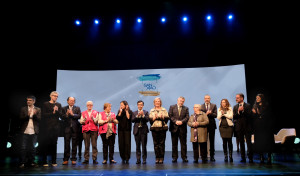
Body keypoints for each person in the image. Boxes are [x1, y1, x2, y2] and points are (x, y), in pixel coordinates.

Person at [41, 91, 62, 167]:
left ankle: (54, 161)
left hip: (56, 127)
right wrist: (52, 113)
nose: (55, 97)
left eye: (57, 96)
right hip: (47, 127)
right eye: (54, 96)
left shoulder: (58, 105)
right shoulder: (45, 104)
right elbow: (43, 115)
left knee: (54, 144)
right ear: (50, 96)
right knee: (46, 144)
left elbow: (61, 116)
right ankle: (44, 161)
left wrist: (57, 111)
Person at [19, 95, 41, 168]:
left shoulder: (38, 109)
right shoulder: (23, 109)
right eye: (27, 100)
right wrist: (28, 115)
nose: (28, 101)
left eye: (30, 100)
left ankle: (32, 162)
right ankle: (22, 162)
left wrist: (34, 115)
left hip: (34, 131)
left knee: (33, 148)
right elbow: (20, 119)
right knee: (23, 147)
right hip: (25, 130)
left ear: (34, 101)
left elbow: (39, 119)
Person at [252, 94, 274, 164]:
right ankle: (261, 157)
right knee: (259, 142)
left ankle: (269, 157)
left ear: (262, 98)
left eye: (258, 98)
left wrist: (259, 113)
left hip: (266, 126)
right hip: (258, 127)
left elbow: (268, 115)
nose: (257, 99)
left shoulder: (266, 105)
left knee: (267, 142)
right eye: (256, 98)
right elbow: (253, 117)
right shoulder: (255, 106)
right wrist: (254, 113)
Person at [233, 93, 253, 163]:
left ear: (242, 98)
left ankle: (250, 158)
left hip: (247, 127)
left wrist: (243, 111)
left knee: (248, 143)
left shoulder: (248, 105)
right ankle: (243, 157)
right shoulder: (235, 107)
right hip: (239, 128)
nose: (236, 99)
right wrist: (238, 111)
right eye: (236, 98)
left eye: (237, 98)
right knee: (241, 143)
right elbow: (234, 116)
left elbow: (250, 115)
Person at [168, 96, 189, 163]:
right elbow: (170, 116)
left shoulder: (186, 108)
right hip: (174, 128)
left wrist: (182, 122)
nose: (181, 102)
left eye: (182, 101)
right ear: (177, 101)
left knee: (183, 144)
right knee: (174, 144)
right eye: (180, 101)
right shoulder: (172, 107)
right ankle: (174, 158)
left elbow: (187, 117)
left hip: (183, 129)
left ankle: (184, 157)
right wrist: (175, 121)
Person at [62, 97, 81, 165]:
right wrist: (67, 114)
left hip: (75, 128)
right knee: (66, 144)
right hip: (67, 128)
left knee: (74, 144)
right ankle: (66, 159)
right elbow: (62, 117)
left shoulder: (77, 108)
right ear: (67, 101)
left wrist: (73, 114)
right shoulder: (64, 108)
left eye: (73, 101)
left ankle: (73, 159)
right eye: (71, 100)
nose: (72, 102)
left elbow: (79, 116)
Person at [149, 97, 169, 164]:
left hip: (162, 128)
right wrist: (153, 118)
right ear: (154, 103)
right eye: (156, 101)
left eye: (158, 101)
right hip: (154, 128)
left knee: (161, 144)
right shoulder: (151, 110)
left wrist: (163, 117)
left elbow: (167, 119)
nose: (157, 102)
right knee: (156, 144)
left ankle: (161, 158)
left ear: (160, 102)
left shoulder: (164, 110)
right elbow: (150, 120)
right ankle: (157, 157)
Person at [132, 100, 150, 164]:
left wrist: (143, 116)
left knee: (144, 146)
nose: (140, 106)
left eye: (141, 104)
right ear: (137, 105)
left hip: (144, 130)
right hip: (137, 130)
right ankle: (138, 159)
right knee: (137, 146)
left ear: (143, 105)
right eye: (139, 104)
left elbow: (147, 120)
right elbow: (132, 120)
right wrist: (137, 116)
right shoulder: (134, 112)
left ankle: (144, 159)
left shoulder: (146, 112)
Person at [200, 95, 217, 161]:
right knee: (204, 140)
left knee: (212, 141)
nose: (207, 99)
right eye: (206, 98)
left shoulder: (214, 105)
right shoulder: (201, 106)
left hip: (212, 125)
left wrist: (211, 113)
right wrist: (206, 114)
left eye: (208, 98)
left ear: (210, 99)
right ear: (204, 99)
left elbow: (215, 115)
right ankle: (204, 155)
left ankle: (212, 156)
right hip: (204, 125)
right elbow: (201, 116)